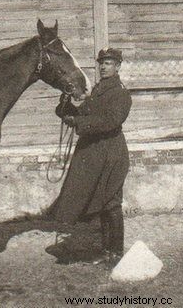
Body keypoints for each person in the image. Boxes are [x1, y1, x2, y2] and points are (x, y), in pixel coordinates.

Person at [48, 47, 132, 266]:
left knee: (111, 202)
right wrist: (66, 107)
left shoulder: (120, 93)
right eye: (101, 63)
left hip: (112, 153)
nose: (104, 66)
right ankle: (106, 250)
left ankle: (115, 252)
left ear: (118, 67)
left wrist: (79, 123)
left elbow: (110, 121)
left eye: (109, 63)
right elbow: (84, 112)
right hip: (97, 153)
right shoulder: (97, 91)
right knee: (101, 201)